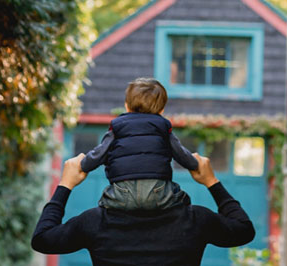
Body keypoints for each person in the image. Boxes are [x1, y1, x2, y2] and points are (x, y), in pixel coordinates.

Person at [31, 151, 255, 264]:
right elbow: (244, 229)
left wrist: (65, 184)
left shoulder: (95, 222)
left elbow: (42, 238)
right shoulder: (195, 220)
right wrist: (212, 182)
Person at [80, 77, 198, 211]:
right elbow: (181, 154)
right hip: (158, 193)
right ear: (161, 110)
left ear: (127, 106)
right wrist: (195, 163)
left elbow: (100, 153)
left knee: (104, 205)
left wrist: (83, 164)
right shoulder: (163, 127)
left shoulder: (118, 126)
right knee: (183, 199)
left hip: (122, 192)